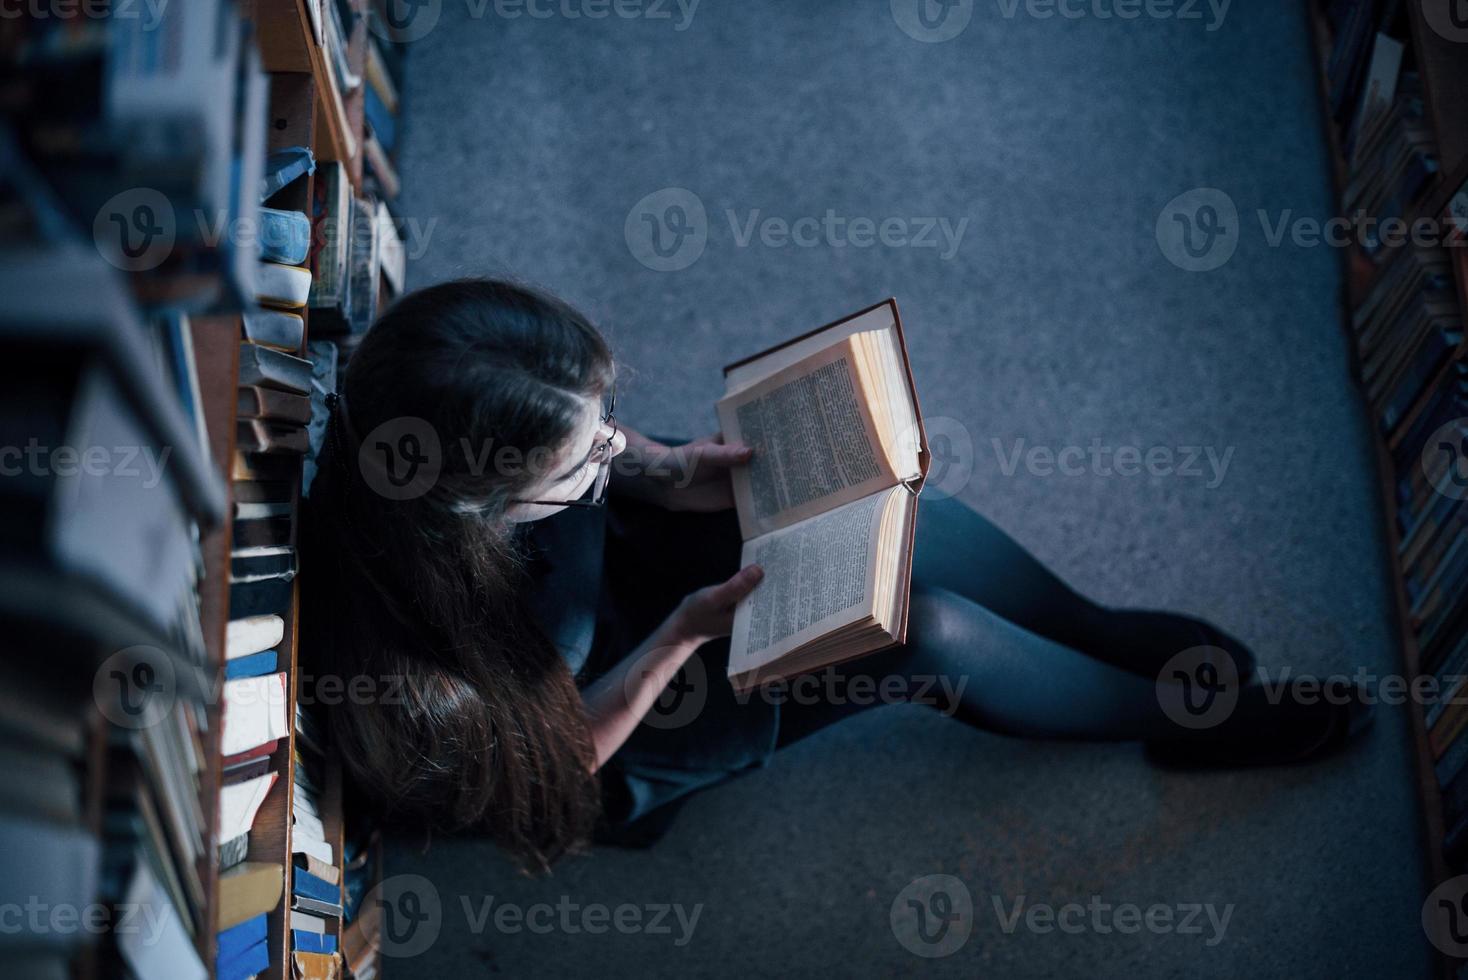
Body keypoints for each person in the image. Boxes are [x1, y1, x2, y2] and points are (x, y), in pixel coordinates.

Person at [300, 278, 1370, 872]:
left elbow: (601, 451)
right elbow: (556, 759)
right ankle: (1171, 724)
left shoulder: (441, 395)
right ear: (482, 504)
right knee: (926, 633)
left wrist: (664, 469)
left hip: (615, 572)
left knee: (898, 509)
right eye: (582, 455)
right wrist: (682, 630)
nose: (610, 445)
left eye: (604, 422)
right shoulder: (404, 663)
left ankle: (1085, 623)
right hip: (609, 713)